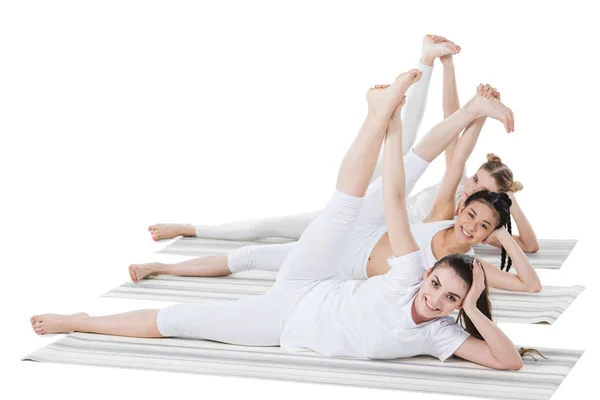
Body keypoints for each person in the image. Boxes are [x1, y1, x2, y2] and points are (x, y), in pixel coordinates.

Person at [30, 69, 526, 369]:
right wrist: (393, 128)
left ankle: (80, 321)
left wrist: (473, 312)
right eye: (437, 284)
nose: (434, 297)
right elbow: (398, 197)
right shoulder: (410, 273)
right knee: (344, 203)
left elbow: (508, 360)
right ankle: (377, 113)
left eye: (449, 298)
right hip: (323, 274)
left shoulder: (442, 334)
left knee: (179, 321)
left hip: (288, 315)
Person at [148, 35, 539, 255]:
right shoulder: (457, 194)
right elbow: (455, 142)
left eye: (482, 191)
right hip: (381, 200)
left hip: (371, 227)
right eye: (474, 180)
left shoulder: (475, 224)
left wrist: (512, 202)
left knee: (273, 228)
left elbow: (531, 246)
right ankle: (425, 61)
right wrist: (452, 68)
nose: (470, 189)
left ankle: (191, 229)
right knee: (405, 136)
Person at [131, 84, 540, 294]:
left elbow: (530, 284)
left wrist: (504, 232)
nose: (471, 225)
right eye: (473, 212)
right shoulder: (443, 213)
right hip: (371, 223)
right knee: (413, 162)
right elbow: (453, 160)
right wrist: (478, 114)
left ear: (487, 235)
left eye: (482, 226)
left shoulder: (466, 264)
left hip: (339, 260)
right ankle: (464, 107)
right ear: (466, 203)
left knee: (251, 255)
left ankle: (162, 267)